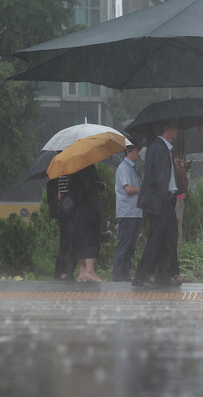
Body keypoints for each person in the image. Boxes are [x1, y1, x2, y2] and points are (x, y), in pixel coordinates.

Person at [133, 121, 184, 289]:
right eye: (175, 127)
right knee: (156, 240)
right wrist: (163, 200)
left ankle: (163, 275)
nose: (177, 131)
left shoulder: (164, 149)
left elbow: (164, 176)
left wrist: (177, 171)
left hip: (166, 200)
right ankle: (141, 276)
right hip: (159, 201)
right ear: (167, 128)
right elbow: (158, 178)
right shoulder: (159, 147)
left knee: (170, 239)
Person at [68, 164, 106, 283]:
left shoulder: (72, 170)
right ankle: (90, 271)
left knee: (80, 240)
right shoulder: (88, 167)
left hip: (76, 212)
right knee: (91, 240)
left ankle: (83, 271)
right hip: (90, 212)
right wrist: (101, 185)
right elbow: (93, 187)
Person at [112, 143, 142, 282]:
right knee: (125, 245)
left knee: (131, 246)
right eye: (137, 150)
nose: (139, 153)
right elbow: (128, 189)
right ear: (129, 151)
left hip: (135, 212)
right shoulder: (124, 167)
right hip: (127, 212)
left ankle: (125, 274)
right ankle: (118, 275)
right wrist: (144, 189)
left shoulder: (133, 168)